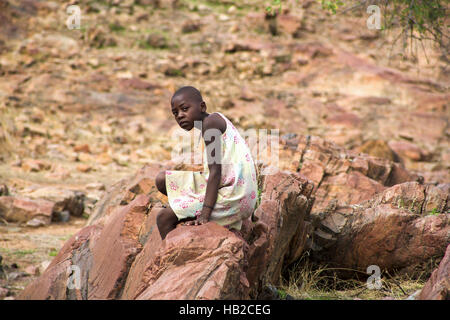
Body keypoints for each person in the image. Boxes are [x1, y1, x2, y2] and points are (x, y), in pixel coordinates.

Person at [155, 86, 258, 240]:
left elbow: (215, 172)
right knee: (162, 179)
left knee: (164, 218)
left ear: (202, 107)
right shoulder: (213, 120)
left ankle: (176, 258)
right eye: (175, 113)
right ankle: (187, 211)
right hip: (229, 188)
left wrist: (205, 214)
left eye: (184, 109)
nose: (180, 116)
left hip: (234, 197)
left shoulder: (211, 124)